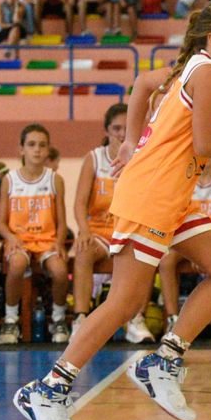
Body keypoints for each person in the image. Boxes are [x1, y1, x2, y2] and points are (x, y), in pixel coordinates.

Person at [15, 0, 211, 420]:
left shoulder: (192, 68)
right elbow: (205, 144)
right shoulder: (209, 72)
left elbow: (140, 83)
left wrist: (129, 145)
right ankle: (48, 388)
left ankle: (163, 360)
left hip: (174, 197)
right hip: (152, 195)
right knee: (125, 302)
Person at [0, 124, 69, 345]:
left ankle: (58, 318)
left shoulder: (54, 179)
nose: (37, 150)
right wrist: (10, 238)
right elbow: (0, 222)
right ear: (21, 149)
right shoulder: (10, 179)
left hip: (47, 241)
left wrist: (59, 242)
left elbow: (62, 221)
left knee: (59, 271)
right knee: (17, 265)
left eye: (42, 145)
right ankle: (10, 319)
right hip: (20, 241)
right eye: (31, 145)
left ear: (48, 150)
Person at [160, 161, 211, 344]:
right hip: (188, 237)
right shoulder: (182, 176)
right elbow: (175, 217)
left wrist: (206, 246)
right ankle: (172, 320)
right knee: (166, 261)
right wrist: (197, 248)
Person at [72, 103, 129, 336]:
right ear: (106, 131)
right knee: (83, 250)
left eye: (127, 128)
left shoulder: (141, 157)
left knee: (148, 253)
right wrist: (83, 230)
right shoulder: (94, 158)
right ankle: (81, 318)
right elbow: (79, 203)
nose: (122, 134)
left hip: (128, 232)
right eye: (116, 128)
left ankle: (135, 319)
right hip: (100, 232)